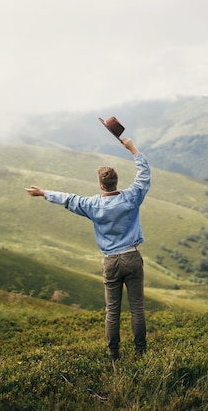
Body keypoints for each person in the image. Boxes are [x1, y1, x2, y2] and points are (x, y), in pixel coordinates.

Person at [25, 137, 151, 361]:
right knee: (137, 309)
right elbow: (144, 175)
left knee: (112, 311)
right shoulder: (131, 198)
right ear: (116, 182)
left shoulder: (92, 205)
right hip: (132, 256)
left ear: (102, 185)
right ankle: (140, 353)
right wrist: (132, 148)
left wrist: (44, 192)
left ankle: (114, 356)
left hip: (111, 261)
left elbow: (68, 199)